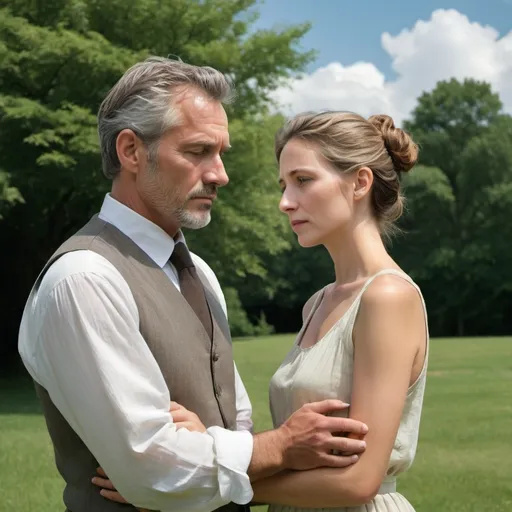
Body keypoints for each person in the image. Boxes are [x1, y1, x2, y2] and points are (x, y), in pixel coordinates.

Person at [18, 58, 369, 512]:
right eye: (198, 151)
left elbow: (235, 423)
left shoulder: (199, 273)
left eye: (220, 153)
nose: (220, 174)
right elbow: (149, 465)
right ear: (131, 151)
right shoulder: (84, 278)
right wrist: (279, 446)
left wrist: (209, 442)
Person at [95, 110, 429, 511]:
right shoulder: (318, 302)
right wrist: (210, 452)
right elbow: (300, 451)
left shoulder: (387, 297)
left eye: (303, 181)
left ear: (360, 182)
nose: (285, 202)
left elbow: (359, 481)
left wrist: (196, 484)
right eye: (284, 184)